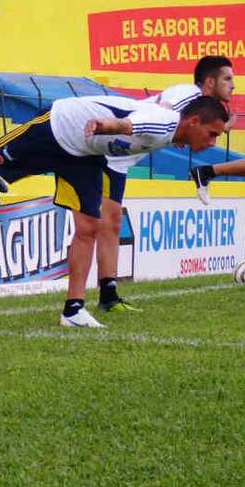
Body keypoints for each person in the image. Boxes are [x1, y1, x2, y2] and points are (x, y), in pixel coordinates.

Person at [0, 94, 229, 328]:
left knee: (89, 225)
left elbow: (126, 145)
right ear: (194, 121)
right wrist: (107, 124)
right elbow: (132, 124)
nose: (212, 141)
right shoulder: (164, 124)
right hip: (58, 128)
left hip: (84, 154)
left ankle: (73, 310)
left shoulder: (169, 136)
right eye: (212, 133)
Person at [98, 55, 235, 313]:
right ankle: (99, 297)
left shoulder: (203, 112)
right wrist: (175, 131)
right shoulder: (187, 93)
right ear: (209, 81)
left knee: (112, 220)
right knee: (99, 220)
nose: (233, 85)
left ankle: (108, 294)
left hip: (121, 158)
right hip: (110, 144)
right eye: (227, 78)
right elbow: (163, 112)